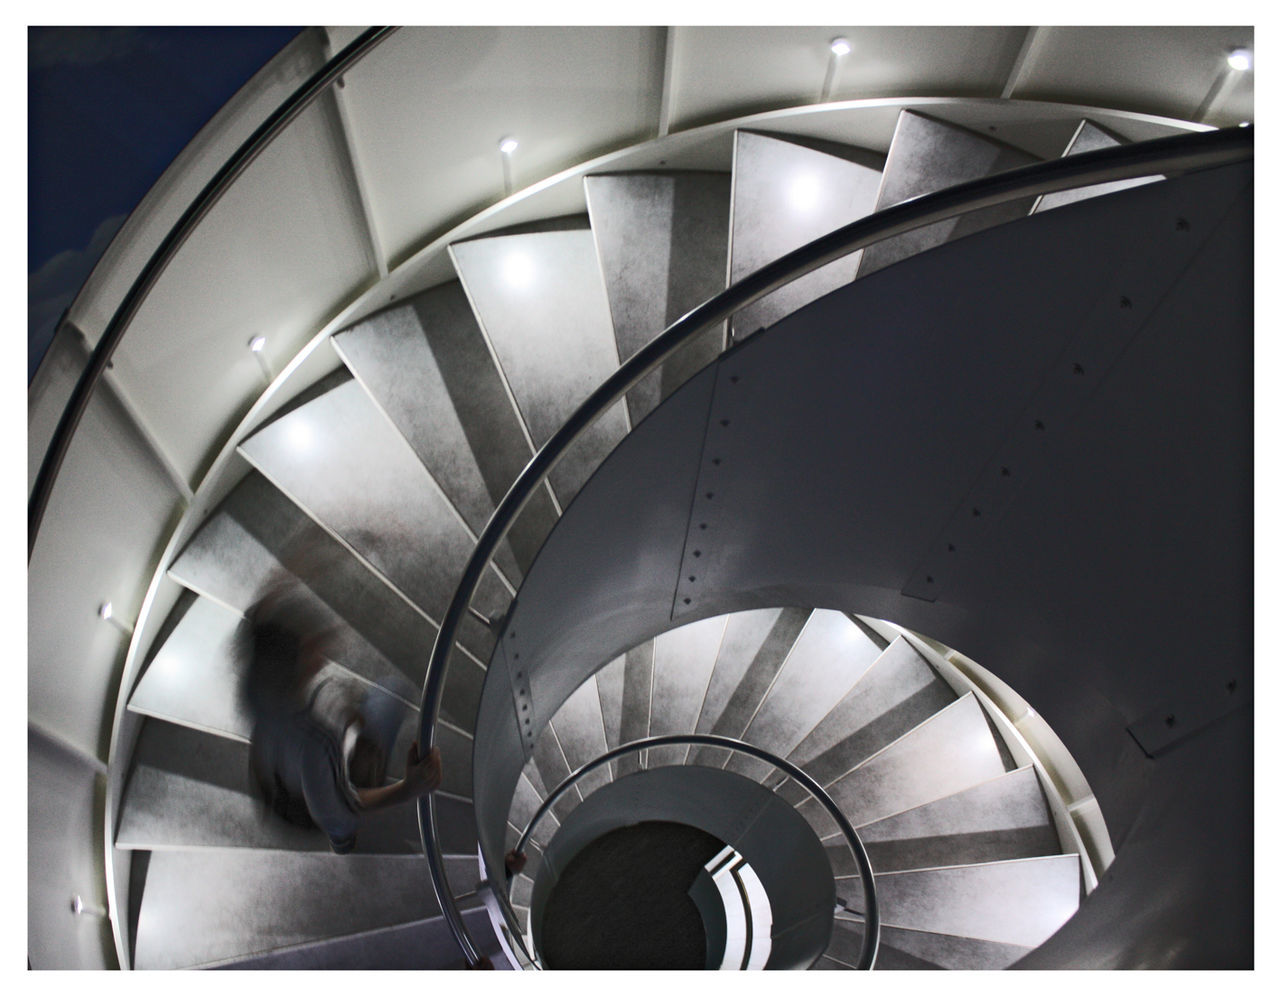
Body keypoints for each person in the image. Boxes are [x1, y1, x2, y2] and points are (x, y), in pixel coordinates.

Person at [241, 578, 442, 853]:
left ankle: (340, 833)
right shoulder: (317, 741)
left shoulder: (254, 688)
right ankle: (342, 840)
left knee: (384, 696)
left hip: (279, 776)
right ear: (298, 664)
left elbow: (257, 619)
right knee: (392, 694)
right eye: (310, 645)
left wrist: (301, 567)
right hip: (312, 802)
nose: (322, 642)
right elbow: (338, 807)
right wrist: (410, 788)